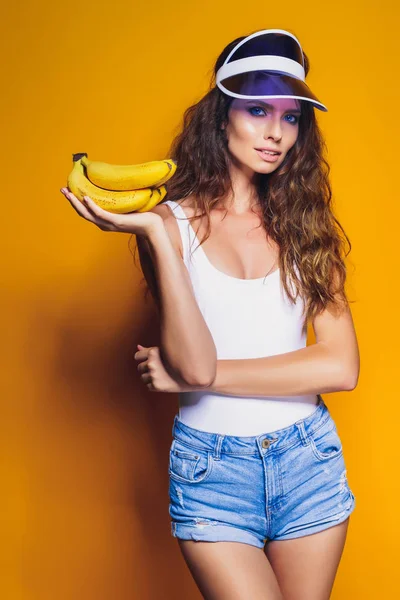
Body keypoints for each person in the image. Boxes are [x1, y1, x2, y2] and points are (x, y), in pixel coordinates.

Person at [61, 28, 360, 600]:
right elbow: (194, 369)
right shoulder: (170, 224)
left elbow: (341, 367)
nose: (276, 132)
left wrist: (198, 375)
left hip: (307, 459)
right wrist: (155, 232)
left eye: (291, 117)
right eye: (256, 110)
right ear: (221, 116)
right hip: (212, 472)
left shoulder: (308, 224)